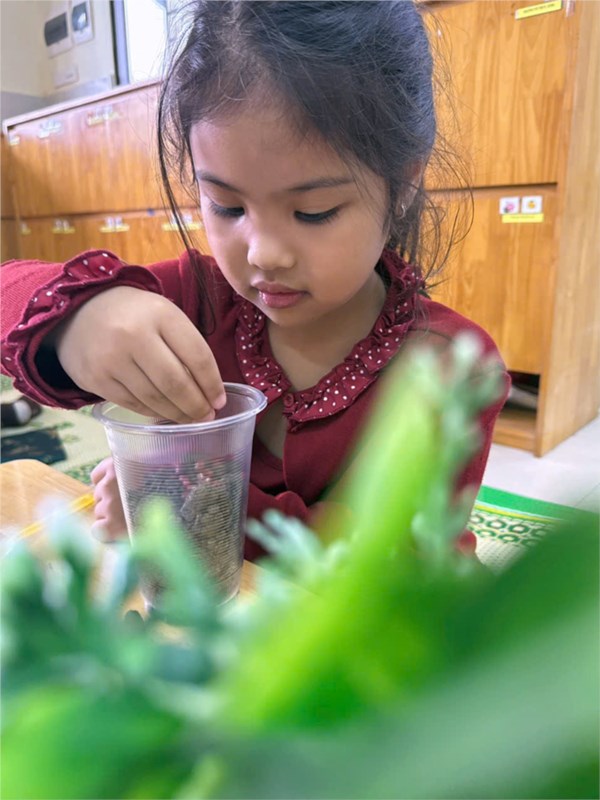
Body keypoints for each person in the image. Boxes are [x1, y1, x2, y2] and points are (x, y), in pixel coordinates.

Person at [0, 0, 509, 555]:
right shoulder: (202, 298)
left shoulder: (451, 365)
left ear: (405, 184)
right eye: (227, 206)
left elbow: (385, 563)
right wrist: (76, 318)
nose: (264, 255)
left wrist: (178, 505)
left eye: (313, 212)